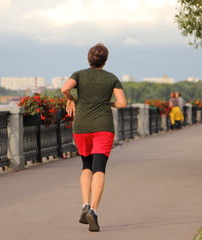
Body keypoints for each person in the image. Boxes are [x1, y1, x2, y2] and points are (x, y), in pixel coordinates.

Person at [61, 43, 127, 232]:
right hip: (103, 128)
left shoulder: (79, 74)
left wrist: (72, 99)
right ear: (105, 61)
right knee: (99, 169)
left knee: (86, 166)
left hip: (81, 127)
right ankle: (94, 211)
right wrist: (108, 103)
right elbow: (123, 103)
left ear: (89, 59)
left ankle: (84, 205)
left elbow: (64, 89)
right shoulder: (111, 78)